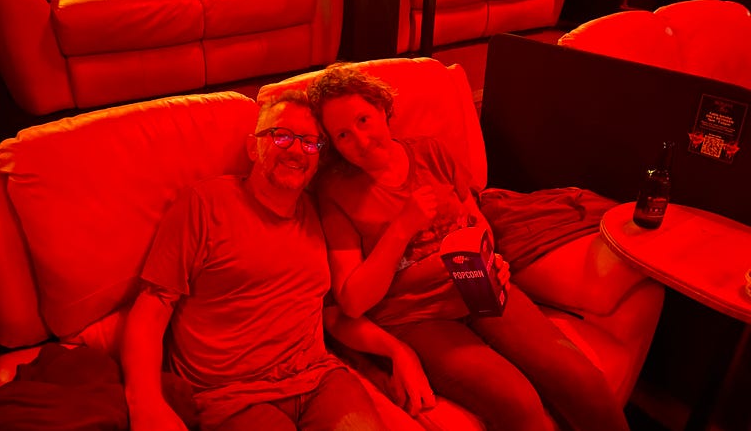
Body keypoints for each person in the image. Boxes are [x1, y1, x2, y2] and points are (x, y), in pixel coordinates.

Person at [307, 63, 632, 431]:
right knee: (518, 401)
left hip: (477, 286)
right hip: (415, 317)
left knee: (580, 378)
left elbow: (478, 222)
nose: (361, 141)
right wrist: (401, 229)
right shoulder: (336, 192)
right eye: (343, 135)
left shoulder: (430, 152)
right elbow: (352, 301)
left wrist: (491, 259)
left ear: (382, 108)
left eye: (363, 120)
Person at [120, 90, 387, 431]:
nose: (296, 150)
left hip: (318, 380)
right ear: (252, 147)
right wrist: (144, 402)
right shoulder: (204, 204)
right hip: (231, 397)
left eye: (309, 143)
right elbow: (153, 306)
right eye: (282, 135)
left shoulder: (319, 213)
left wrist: (397, 353)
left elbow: (335, 311)